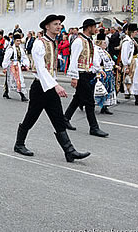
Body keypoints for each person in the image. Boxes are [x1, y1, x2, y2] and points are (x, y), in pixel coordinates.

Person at [14, 15, 90, 163]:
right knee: (31, 117)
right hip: (40, 88)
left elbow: (51, 68)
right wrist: (56, 85)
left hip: (50, 87)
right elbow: (41, 70)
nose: (59, 26)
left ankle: (69, 151)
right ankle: (19, 144)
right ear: (47, 27)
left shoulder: (53, 42)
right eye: (55, 24)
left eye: (60, 24)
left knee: (58, 118)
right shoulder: (39, 43)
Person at [63, 19, 109, 137]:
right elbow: (73, 60)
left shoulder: (89, 41)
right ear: (88, 27)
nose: (96, 29)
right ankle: (93, 127)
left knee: (78, 98)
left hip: (89, 73)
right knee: (89, 101)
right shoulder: (79, 41)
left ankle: (65, 118)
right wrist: (74, 77)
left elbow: (93, 57)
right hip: (81, 74)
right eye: (94, 27)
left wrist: (98, 69)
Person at [121, 23, 138, 106]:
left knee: (135, 81)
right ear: (132, 32)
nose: (137, 33)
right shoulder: (127, 41)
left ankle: (137, 98)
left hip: (135, 61)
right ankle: (137, 99)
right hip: (131, 62)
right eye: (136, 31)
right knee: (131, 81)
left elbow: (137, 52)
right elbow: (124, 54)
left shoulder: (132, 40)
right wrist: (126, 65)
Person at [93, 32, 117, 114]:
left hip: (108, 73)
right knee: (99, 90)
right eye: (104, 42)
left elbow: (109, 61)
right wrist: (99, 71)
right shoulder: (96, 51)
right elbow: (96, 62)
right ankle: (88, 104)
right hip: (101, 73)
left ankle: (105, 106)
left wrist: (114, 67)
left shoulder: (104, 51)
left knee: (107, 90)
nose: (106, 44)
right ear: (99, 42)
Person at [2, 33, 30, 101]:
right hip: (11, 66)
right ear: (14, 41)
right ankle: (21, 95)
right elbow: (6, 58)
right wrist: (5, 67)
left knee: (18, 80)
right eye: (17, 41)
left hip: (17, 66)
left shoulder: (20, 49)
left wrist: (27, 64)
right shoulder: (11, 49)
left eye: (19, 41)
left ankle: (7, 92)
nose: (18, 42)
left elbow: (24, 57)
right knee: (13, 80)